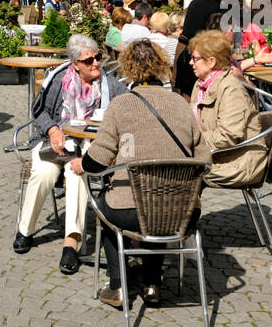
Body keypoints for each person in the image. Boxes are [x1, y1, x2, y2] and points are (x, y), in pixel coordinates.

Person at [78, 40, 210, 308]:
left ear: (127, 68)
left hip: (129, 210)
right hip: (181, 210)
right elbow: (205, 159)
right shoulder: (180, 104)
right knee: (160, 206)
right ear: (161, 65)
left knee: (107, 210)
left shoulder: (121, 104)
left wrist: (82, 162)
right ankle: (152, 284)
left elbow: (97, 160)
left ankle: (117, 287)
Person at [13, 34, 127, 273]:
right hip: (53, 142)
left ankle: (71, 244)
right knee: (43, 173)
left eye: (98, 57)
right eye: (88, 61)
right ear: (75, 64)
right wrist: (53, 130)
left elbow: (130, 106)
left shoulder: (109, 85)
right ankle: (25, 230)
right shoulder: (59, 80)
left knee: (77, 174)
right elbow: (40, 111)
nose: (96, 63)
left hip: (88, 147)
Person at [188, 32, 268, 185]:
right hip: (214, 154)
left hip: (237, 162)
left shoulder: (231, 88)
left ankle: (187, 209)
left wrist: (191, 140)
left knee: (177, 173)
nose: (191, 63)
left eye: (195, 59)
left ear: (211, 62)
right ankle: (187, 209)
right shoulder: (201, 84)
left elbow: (228, 136)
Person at [176, 0, 235, 97]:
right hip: (204, 58)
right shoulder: (219, 7)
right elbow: (222, 36)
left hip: (185, 54)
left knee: (188, 101)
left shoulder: (194, 2)